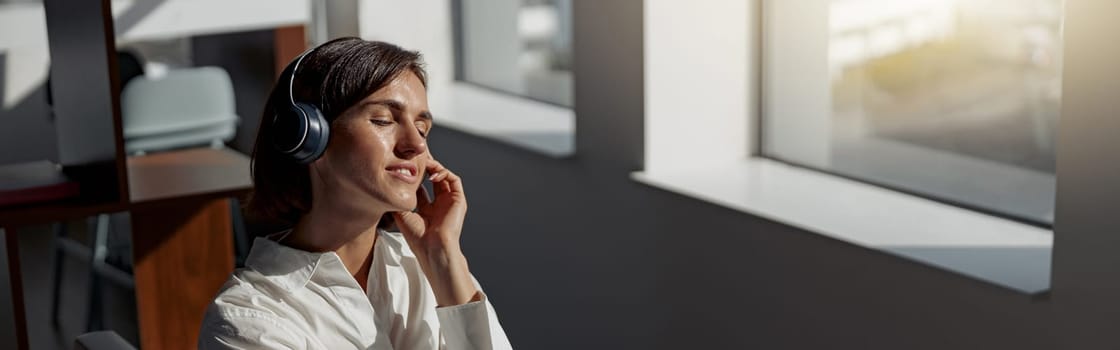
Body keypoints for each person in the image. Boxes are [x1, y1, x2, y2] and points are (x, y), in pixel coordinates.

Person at [199, 37, 513, 349]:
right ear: (309, 136)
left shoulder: (430, 268)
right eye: (384, 120)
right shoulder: (247, 319)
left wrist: (446, 259)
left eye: (422, 128)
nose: (416, 145)